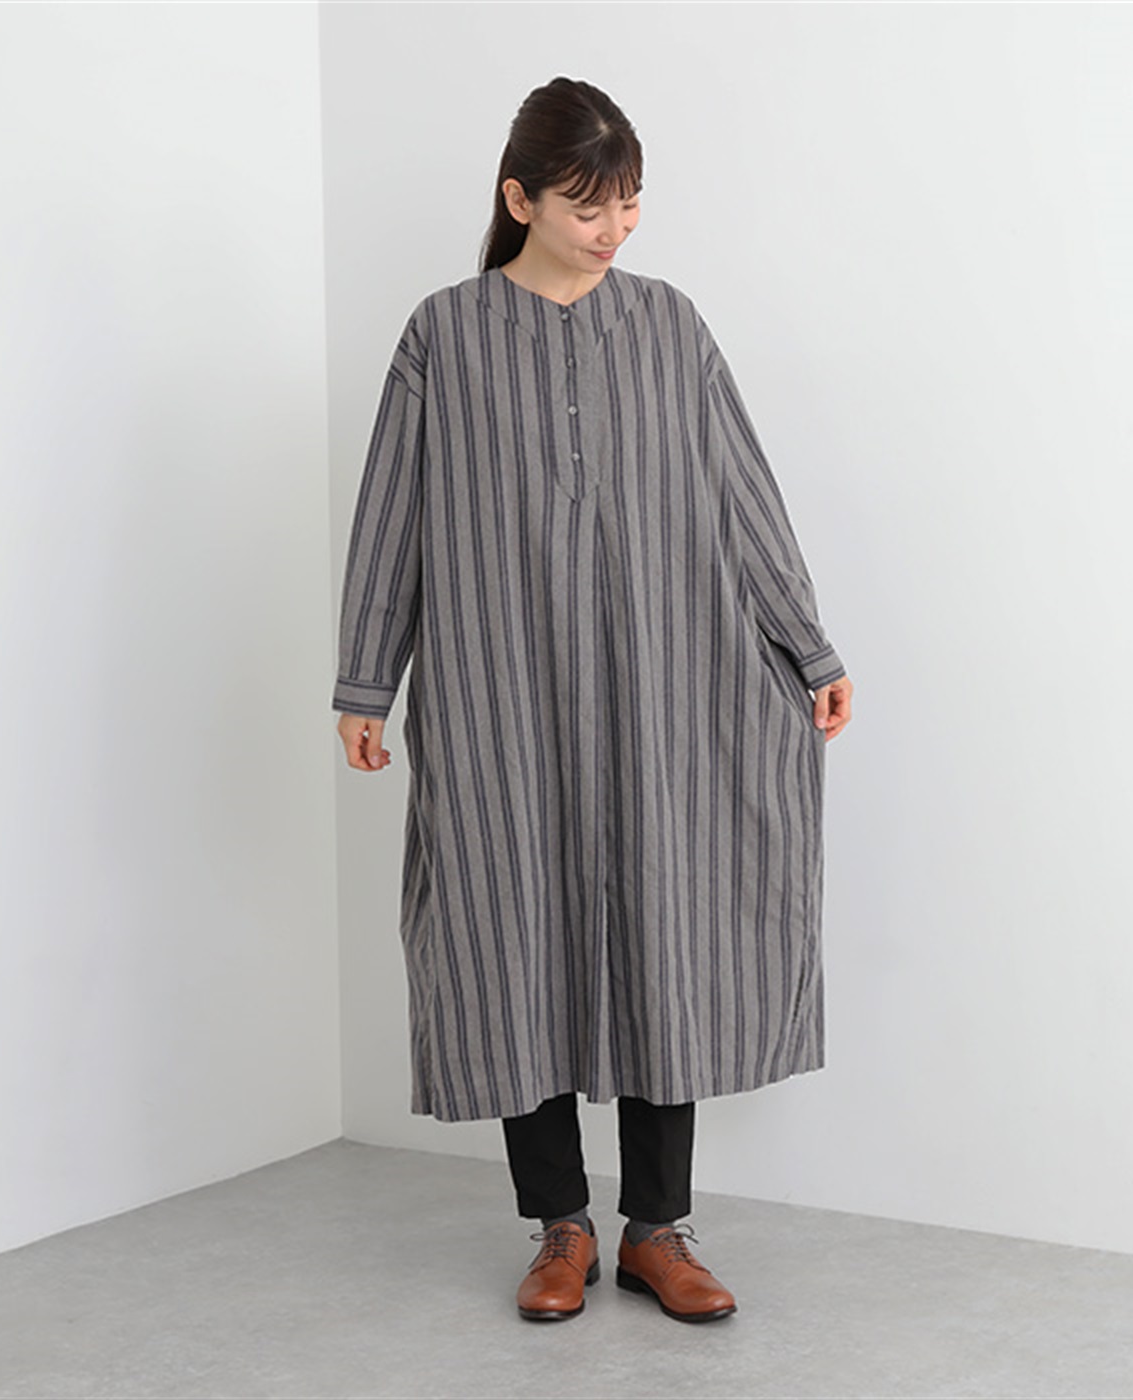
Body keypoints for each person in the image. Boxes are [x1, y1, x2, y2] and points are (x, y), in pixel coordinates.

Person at [332, 76, 853, 1325]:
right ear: (519, 199)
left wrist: (809, 647)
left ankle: (658, 1228)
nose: (616, 227)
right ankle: (559, 1224)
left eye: (630, 202)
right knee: (513, 930)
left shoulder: (670, 324)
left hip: (666, 685)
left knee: (669, 926)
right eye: (588, 205)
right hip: (501, 692)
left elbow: (742, 492)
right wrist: (366, 678)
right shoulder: (444, 335)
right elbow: (393, 511)